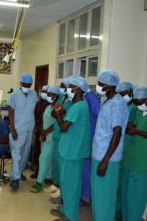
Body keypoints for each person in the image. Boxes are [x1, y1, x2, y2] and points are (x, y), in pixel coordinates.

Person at [50, 76, 91, 221]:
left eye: (71, 86)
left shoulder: (80, 105)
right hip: (70, 150)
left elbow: (63, 127)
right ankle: (66, 209)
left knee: (71, 185)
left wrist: (57, 115)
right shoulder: (77, 105)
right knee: (66, 183)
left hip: (73, 152)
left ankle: (71, 216)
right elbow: (69, 120)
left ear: (78, 89)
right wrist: (61, 113)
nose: (68, 89)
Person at [91, 70, 128, 221]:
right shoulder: (107, 101)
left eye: (100, 84)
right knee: (98, 197)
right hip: (99, 155)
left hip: (107, 160)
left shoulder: (117, 104)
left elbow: (117, 132)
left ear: (110, 85)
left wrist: (105, 161)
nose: (98, 86)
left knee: (104, 199)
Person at [8, 74, 38, 190]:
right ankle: (14, 179)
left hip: (29, 128)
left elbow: (34, 110)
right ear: (21, 83)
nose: (27, 86)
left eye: (29, 85)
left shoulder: (34, 94)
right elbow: (11, 113)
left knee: (25, 154)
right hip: (18, 129)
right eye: (25, 84)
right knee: (16, 154)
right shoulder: (14, 95)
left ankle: (19, 173)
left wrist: (35, 125)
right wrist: (13, 129)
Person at [121, 87, 147, 221]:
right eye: (135, 102)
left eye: (139, 101)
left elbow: (138, 130)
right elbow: (132, 124)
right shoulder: (138, 112)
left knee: (136, 200)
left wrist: (137, 131)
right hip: (130, 161)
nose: (137, 104)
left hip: (142, 165)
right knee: (126, 196)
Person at [30, 86, 60, 193]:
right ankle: (47, 178)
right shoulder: (48, 107)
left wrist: (46, 131)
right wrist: (42, 132)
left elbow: (57, 123)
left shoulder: (57, 107)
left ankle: (39, 182)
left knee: (43, 159)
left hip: (52, 137)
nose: (47, 96)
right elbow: (43, 119)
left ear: (56, 96)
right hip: (44, 136)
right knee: (46, 159)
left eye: (50, 94)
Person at [49, 76, 73, 201]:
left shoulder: (72, 103)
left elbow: (63, 117)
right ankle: (56, 184)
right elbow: (55, 113)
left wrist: (58, 113)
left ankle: (61, 191)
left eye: (64, 86)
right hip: (58, 135)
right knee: (56, 163)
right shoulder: (62, 98)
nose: (62, 88)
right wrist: (58, 112)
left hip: (64, 135)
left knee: (63, 166)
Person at [115, 81, 136, 218]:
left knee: (123, 184)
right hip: (121, 148)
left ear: (130, 92)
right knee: (119, 183)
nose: (122, 97)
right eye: (120, 94)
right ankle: (117, 210)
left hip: (128, 149)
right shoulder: (124, 106)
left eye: (124, 94)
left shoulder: (134, 108)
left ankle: (120, 211)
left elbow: (129, 127)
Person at [81, 85, 100, 204]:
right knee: (83, 168)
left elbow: (98, 113)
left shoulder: (90, 98)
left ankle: (86, 196)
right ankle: (83, 194)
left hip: (90, 136)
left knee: (87, 168)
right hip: (84, 137)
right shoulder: (84, 98)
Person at [30, 85, 49, 179]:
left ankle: (43, 175)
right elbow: (35, 116)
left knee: (43, 155)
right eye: (43, 91)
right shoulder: (38, 103)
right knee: (36, 153)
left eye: (46, 92)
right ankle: (36, 171)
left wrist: (41, 130)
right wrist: (36, 127)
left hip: (45, 132)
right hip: (38, 131)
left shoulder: (49, 105)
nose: (44, 93)